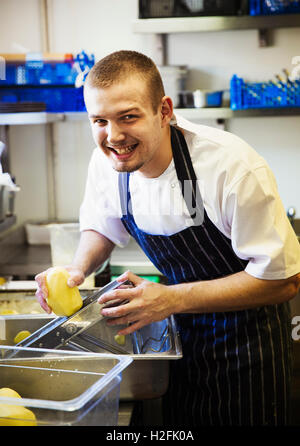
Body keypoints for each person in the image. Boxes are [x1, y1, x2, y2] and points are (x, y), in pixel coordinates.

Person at [35, 50, 300, 426]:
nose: (113, 136)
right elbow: (102, 225)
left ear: (163, 110)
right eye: (99, 121)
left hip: (247, 347)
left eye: (128, 116)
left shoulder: (229, 166)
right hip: (177, 341)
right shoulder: (109, 162)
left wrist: (171, 298)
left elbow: (284, 281)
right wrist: (76, 270)